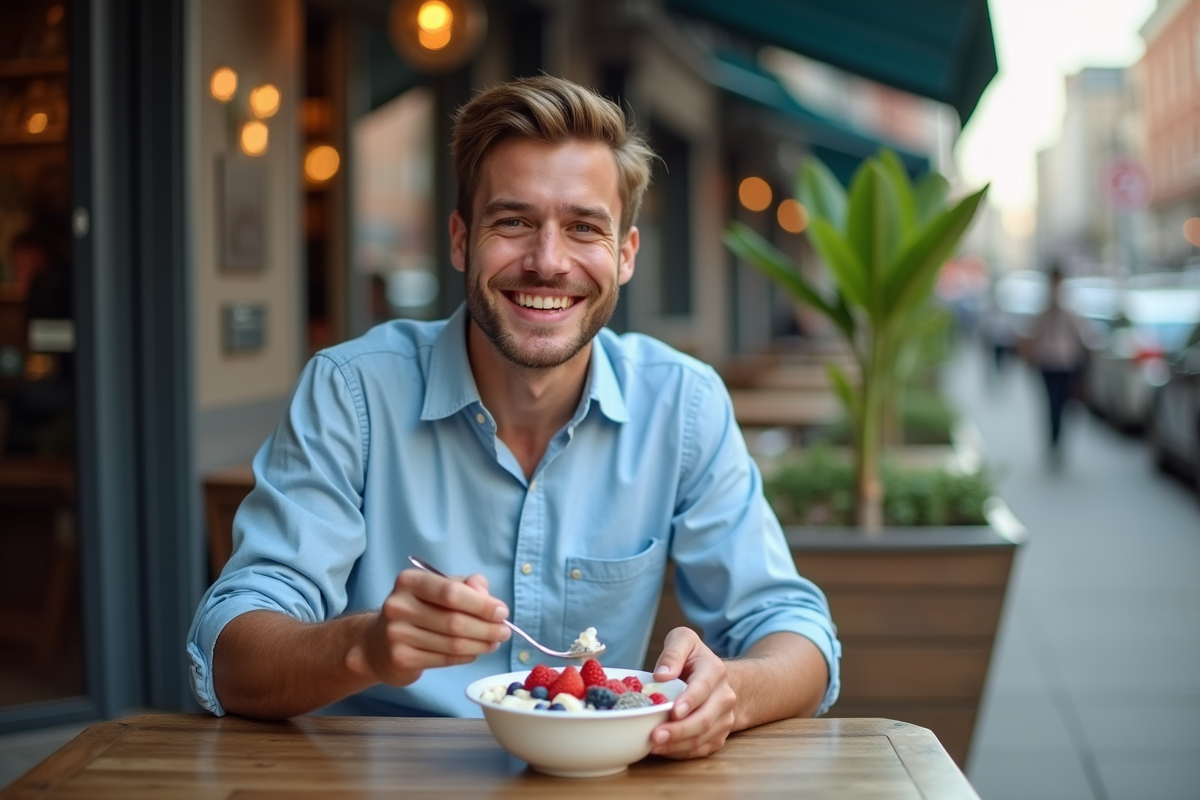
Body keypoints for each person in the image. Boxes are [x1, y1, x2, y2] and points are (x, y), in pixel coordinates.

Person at [187, 76, 840, 759]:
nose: (547, 262)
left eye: (583, 227)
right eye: (513, 222)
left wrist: (729, 691)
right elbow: (231, 653)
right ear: (461, 241)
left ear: (624, 255)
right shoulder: (351, 392)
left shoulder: (682, 403)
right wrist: (366, 645)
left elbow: (795, 632)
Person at [1020, 265, 1087, 465]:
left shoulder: (1070, 310)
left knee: (1063, 404)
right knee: (1051, 403)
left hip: (1066, 363)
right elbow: (1033, 336)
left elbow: (1081, 337)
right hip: (1047, 363)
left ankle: (1059, 439)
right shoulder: (1043, 311)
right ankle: (1053, 440)